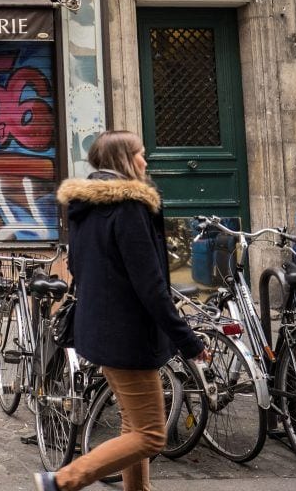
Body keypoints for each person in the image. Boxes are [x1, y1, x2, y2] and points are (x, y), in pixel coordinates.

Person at [40, 130, 209, 491]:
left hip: (100, 331)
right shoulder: (129, 207)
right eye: (140, 154)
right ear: (124, 160)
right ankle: (61, 481)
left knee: (133, 424)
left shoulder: (84, 207)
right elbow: (151, 287)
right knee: (151, 436)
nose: (146, 162)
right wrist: (188, 340)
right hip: (129, 336)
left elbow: (79, 268)